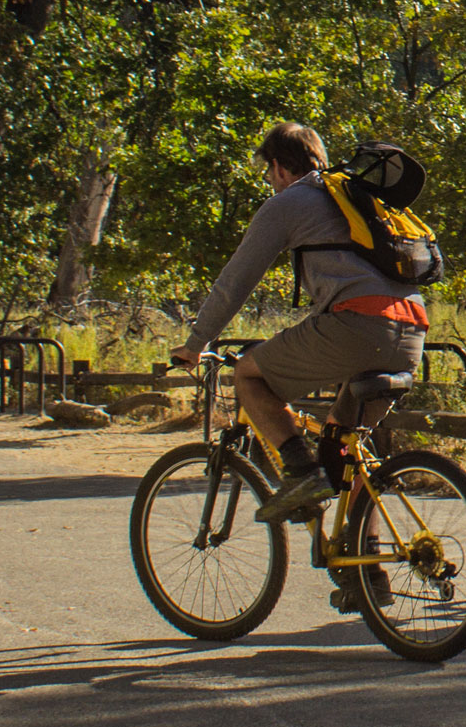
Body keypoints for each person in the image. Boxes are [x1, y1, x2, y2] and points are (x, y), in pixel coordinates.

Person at [170, 124, 427, 523]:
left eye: (267, 174)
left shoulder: (290, 202)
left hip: (359, 326)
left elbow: (236, 280)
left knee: (248, 374)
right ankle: (366, 575)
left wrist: (196, 342)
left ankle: (301, 473)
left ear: (277, 167)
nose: (270, 182)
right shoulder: (355, 197)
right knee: (343, 450)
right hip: (412, 329)